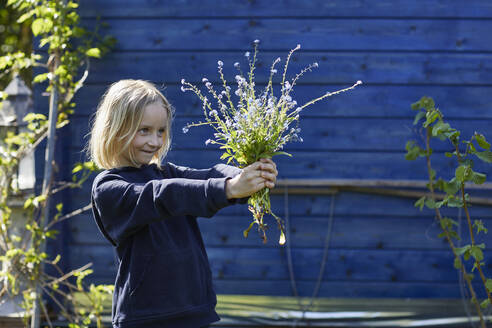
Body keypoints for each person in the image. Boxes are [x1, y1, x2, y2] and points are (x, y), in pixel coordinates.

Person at [88, 79, 278, 328]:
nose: (154, 141)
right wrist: (229, 188)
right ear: (115, 128)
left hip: (194, 309)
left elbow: (210, 174)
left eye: (160, 131)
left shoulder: (167, 172)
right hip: (146, 318)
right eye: (143, 130)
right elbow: (162, 196)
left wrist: (247, 175)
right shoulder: (108, 187)